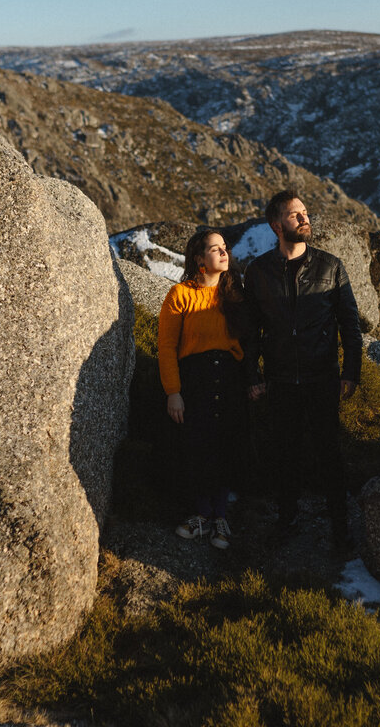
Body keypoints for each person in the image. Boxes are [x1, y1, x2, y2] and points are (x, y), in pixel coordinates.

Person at [243, 190, 361, 550]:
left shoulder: (331, 266)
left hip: (322, 377)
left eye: (306, 213)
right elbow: (250, 332)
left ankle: (340, 528)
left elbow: (349, 325)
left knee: (329, 454)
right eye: (296, 215)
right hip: (281, 381)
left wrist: (351, 372)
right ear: (277, 225)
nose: (305, 219)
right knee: (285, 455)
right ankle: (286, 520)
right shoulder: (259, 271)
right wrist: (253, 376)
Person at [158, 230, 247, 549]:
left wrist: (253, 381)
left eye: (225, 248)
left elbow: (248, 344)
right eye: (215, 249)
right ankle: (202, 514)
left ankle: (221, 516)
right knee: (196, 445)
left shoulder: (235, 295)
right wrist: (173, 391)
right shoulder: (180, 294)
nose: (224, 253)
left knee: (226, 444)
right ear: (199, 258)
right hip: (194, 379)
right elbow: (166, 346)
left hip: (230, 377)